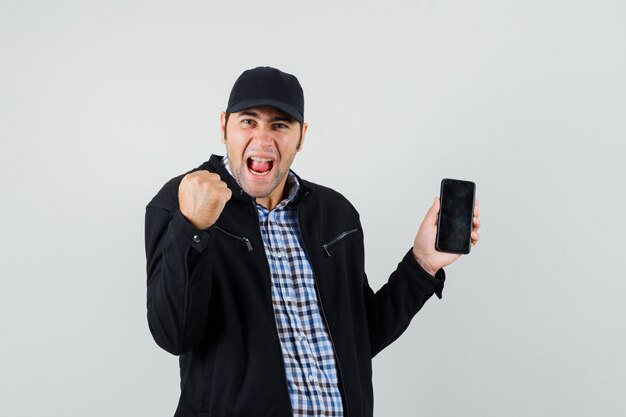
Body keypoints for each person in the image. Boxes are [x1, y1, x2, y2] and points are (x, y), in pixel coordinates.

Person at [145, 66, 481, 417]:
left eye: (279, 125)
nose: (262, 140)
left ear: (301, 136)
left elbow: (358, 339)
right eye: (248, 121)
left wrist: (423, 263)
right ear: (223, 126)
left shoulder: (335, 214)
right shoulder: (181, 200)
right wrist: (192, 227)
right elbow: (173, 334)